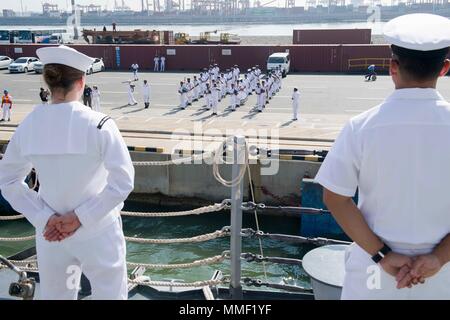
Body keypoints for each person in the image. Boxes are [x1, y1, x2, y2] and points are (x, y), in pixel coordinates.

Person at [315, 14, 450, 300]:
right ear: (444, 69)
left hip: (372, 277)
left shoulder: (361, 126)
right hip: (443, 278)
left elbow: (334, 197)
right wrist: (438, 258)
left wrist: (382, 255)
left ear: (392, 67)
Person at [0, 45, 134, 300]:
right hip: (97, 231)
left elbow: (7, 180)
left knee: (56, 296)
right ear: (81, 81)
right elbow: (122, 182)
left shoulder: (29, 124)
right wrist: (81, 217)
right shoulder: (100, 125)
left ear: (48, 84)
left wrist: (44, 218)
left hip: (51, 233)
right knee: (110, 294)